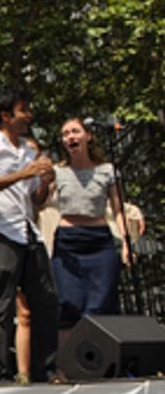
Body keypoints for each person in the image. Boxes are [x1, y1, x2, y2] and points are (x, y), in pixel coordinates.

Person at [0, 89, 59, 384]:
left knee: (46, 300)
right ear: (6, 116)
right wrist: (21, 174)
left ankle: (46, 369)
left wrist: (45, 181)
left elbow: (36, 200)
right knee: (2, 306)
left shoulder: (27, 151)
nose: (29, 115)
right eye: (23, 110)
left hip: (27, 231)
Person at [52, 117, 129, 324]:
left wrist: (126, 244)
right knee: (69, 305)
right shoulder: (57, 172)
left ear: (88, 136)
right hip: (68, 241)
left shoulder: (107, 170)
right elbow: (38, 202)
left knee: (100, 305)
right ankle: (68, 355)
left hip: (99, 241)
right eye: (65, 134)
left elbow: (118, 210)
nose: (70, 137)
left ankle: (101, 354)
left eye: (75, 131)